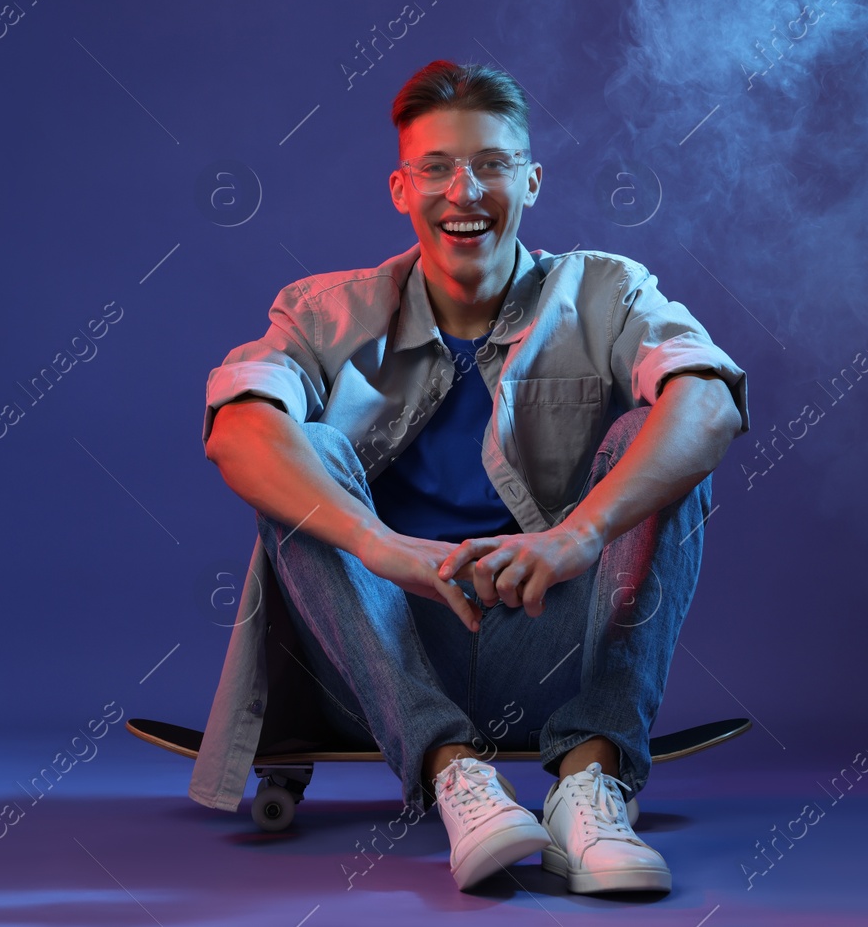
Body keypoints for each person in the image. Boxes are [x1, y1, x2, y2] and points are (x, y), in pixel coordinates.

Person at [198, 59, 749, 894]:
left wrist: (579, 535)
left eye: (491, 164)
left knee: (664, 428)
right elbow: (236, 430)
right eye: (436, 168)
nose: (465, 191)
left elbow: (709, 402)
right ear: (400, 188)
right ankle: (456, 774)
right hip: (376, 662)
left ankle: (590, 783)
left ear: (530, 180)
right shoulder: (323, 308)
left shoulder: (606, 289)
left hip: (552, 649)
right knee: (298, 450)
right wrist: (381, 547)